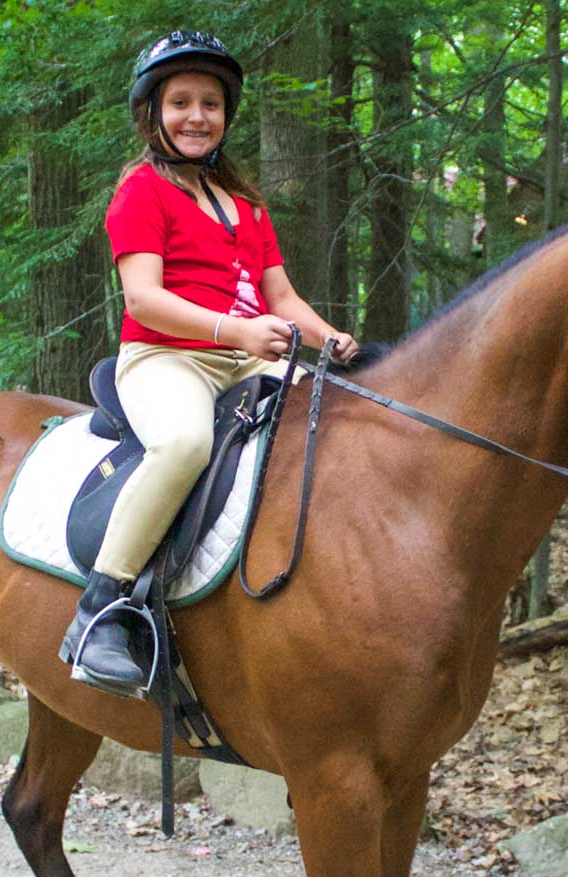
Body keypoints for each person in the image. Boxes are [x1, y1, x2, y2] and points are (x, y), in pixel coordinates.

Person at [60, 30, 360, 696]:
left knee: (335, 419)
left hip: (246, 358)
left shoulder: (246, 204)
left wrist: (329, 336)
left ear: (226, 115)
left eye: (210, 104)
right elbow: (144, 298)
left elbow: (282, 298)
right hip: (166, 358)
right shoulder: (141, 191)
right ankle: (101, 610)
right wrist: (238, 331)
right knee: (185, 443)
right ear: (153, 113)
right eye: (180, 103)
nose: (196, 116)